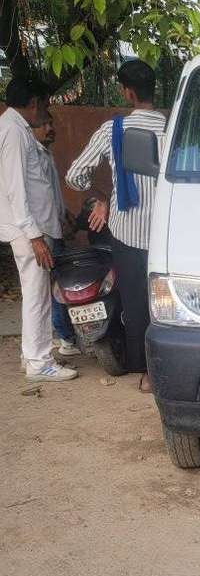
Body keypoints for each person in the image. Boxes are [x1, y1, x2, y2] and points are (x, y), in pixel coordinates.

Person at [66, 59, 166, 392]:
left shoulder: (113, 130)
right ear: (154, 89)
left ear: (127, 91)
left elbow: (75, 175)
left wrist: (102, 198)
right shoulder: (175, 128)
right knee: (169, 305)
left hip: (127, 233)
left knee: (136, 304)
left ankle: (148, 375)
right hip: (169, 233)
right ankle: (174, 369)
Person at [0, 78, 78, 382]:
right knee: (37, 296)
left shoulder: (14, 128)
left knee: (37, 294)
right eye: (43, 105)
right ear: (33, 103)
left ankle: (31, 355)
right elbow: (15, 189)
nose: (44, 113)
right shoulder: (14, 132)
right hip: (28, 230)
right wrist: (34, 235)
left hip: (32, 227)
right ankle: (38, 361)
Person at [31, 111, 80, 357]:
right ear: (32, 129)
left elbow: (51, 194)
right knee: (53, 287)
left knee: (59, 284)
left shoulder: (46, 154)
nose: (50, 128)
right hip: (44, 231)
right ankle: (64, 338)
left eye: (51, 123)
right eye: (44, 125)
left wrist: (65, 212)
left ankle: (66, 337)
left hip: (54, 226)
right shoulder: (34, 156)